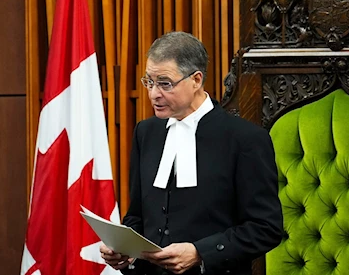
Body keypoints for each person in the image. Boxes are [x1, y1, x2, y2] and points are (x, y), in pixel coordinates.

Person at [100, 31, 283, 275]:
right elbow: (137, 216)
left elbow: (266, 228)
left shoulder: (246, 140)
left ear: (196, 80)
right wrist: (124, 252)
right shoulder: (146, 132)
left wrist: (200, 253)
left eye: (165, 83)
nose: (154, 93)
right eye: (149, 82)